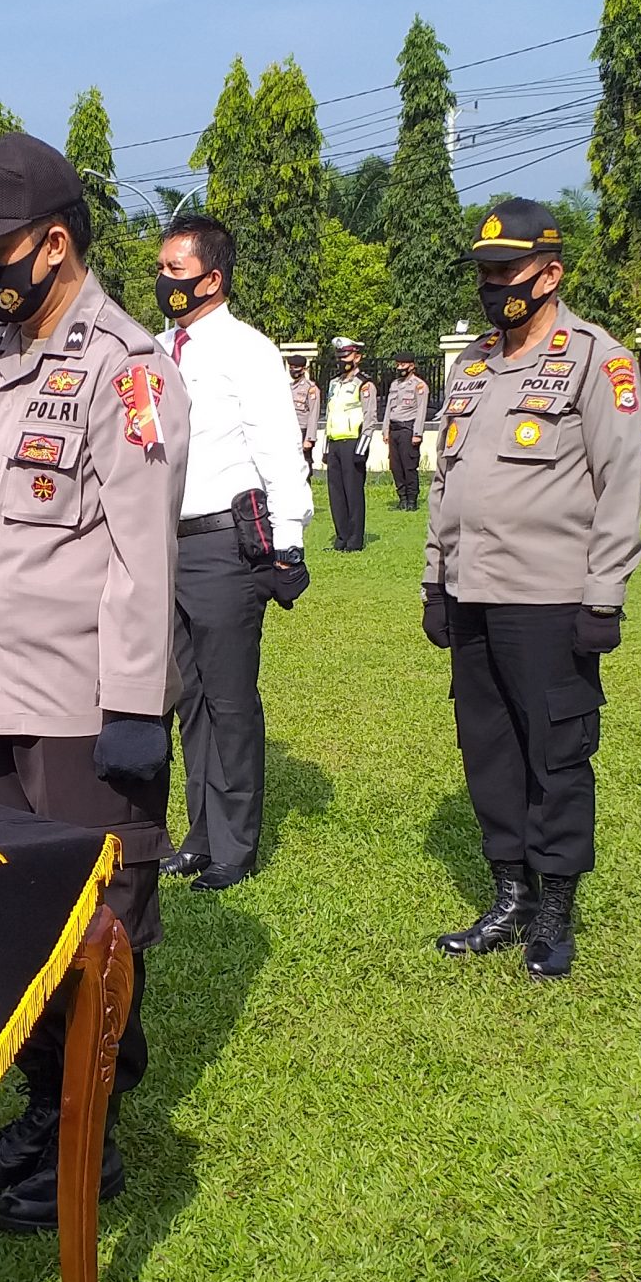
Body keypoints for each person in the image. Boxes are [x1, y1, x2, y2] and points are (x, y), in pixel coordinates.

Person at [0, 131, 190, 1233]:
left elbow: (142, 555)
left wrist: (134, 707)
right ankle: (45, 1109)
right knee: (19, 921)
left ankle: (94, 1136)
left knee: (99, 925)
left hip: (84, 712)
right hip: (0, 698)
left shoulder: (126, 367)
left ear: (57, 243)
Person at [422, 199, 641, 978]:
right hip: (472, 592)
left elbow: (620, 484)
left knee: (555, 755)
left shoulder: (597, 360)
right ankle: (508, 895)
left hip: (551, 601)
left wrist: (604, 596)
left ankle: (554, 911)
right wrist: (433, 579)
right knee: (488, 750)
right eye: (484, 272)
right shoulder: (472, 364)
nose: (492, 285)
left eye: (506, 271)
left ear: (550, 273)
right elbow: (446, 482)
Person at [154, 212, 312, 892]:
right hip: (166, 543)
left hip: (224, 542)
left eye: (176, 271)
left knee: (229, 700)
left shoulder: (247, 350)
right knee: (186, 697)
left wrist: (291, 539)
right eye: (160, 270)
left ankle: (235, 843)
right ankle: (199, 831)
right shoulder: (158, 350)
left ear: (212, 278)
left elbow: (277, 445)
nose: (163, 282)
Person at [323, 338, 380, 551]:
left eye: (345, 356)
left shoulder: (364, 384)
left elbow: (370, 418)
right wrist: (326, 448)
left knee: (353, 493)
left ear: (357, 357)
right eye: (339, 356)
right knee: (336, 493)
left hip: (353, 443)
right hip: (335, 442)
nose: (341, 360)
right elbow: (330, 416)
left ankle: (355, 540)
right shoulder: (334, 384)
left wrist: (362, 448)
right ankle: (341, 538)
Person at [385, 352, 430, 510]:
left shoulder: (419, 386)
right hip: (394, 429)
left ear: (412, 366)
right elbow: (389, 410)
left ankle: (412, 500)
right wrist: (385, 430)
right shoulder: (394, 384)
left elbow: (421, 411)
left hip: (408, 429)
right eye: (398, 365)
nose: (400, 368)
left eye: (403, 365)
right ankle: (402, 498)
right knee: (395, 466)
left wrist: (417, 433)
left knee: (409, 465)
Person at [287, 347, 321, 483]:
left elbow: (314, 414)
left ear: (303, 369)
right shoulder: (287, 387)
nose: (292, 370)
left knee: (304, 469)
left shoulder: (310, 388)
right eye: (291, 367)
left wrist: (310, 438)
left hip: (303, 431)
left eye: (296, 368)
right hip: (289, 431)